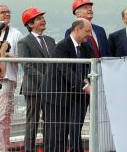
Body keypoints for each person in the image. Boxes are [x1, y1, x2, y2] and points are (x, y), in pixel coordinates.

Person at [42, 18, 92, 152]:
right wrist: (84, 86)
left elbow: (89, 67)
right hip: (56, 96)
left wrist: (86, 79)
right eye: (87, 31)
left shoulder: (86, 47)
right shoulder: (63, 46)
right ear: (77, 29)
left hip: (73, 96)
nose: (90, 35)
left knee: (69, 130)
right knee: (56, 133)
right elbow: (65, 70)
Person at [18, 7, 56, 152]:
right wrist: (46, 81)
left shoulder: (50, 40)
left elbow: (56, 62)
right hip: (34, 89)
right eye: (39, 18)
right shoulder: (24, 42)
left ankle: (49, 148)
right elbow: (26, 66)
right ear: (30, 24)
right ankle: (29, 149)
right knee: (32, 122)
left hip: (51, 88)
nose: (43, 20)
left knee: (50, 121)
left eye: (42, 18)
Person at [0, 4, 23, 151]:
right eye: (2, 12)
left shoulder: (16, 34)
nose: (6, 14)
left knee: (3, 117)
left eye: (8, 12)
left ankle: (2, 148)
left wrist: (6, 54)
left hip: (6, 79)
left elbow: (22, 58)